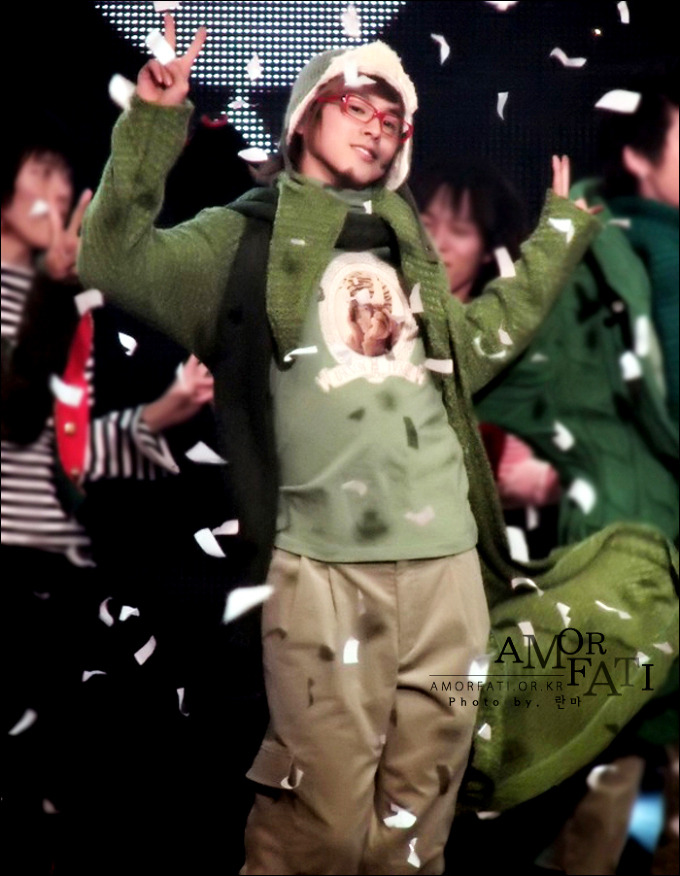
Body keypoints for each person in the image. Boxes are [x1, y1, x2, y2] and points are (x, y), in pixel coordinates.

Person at [77, 15, 677, 875]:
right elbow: (114, 259)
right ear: (304, 117)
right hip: (323, 571)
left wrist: (553, 241)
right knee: (314, 828)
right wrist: (153, 121)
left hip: (448, 571)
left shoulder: (406, 247)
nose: (377, 127)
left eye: (393, 119)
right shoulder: (242, 238)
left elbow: (471, 351)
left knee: (417, 826)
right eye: (357, 106)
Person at [474, 64, 679, 875]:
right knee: (601, 814)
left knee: (625, 812)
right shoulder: (620, 257)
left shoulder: (610, 252)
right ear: (639, 155)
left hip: (629, 577)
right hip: (631, 570)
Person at [0, 122, 217, 873]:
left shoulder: (113, 315)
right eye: (41, 187)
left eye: (68, 192)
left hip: (113, 589)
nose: (60, 205)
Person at [414, 160, 562, 559]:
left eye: (460, 231)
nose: (437, 242)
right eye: (426, 223)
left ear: (485, 250)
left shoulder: (517, 347)